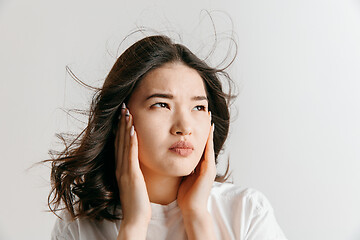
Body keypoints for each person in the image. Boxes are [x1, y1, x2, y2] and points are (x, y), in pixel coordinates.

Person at [48, 34, 287, 239]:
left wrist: (197, 218)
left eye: (199, 108)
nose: (184, 127)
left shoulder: (246, 211)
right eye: (162, 105)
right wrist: (133, 224)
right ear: (120, 118)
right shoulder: (78, 226)